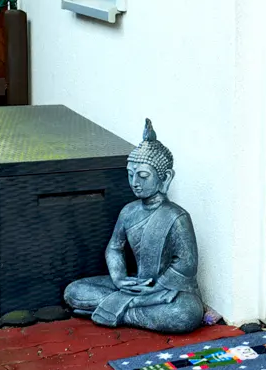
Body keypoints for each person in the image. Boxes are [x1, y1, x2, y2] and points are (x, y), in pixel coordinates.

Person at [63, 119, 204, 331]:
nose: (135, 182)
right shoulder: (129, 211)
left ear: (165, 178)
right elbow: (114, 247)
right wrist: (119, 278)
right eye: (130, 175)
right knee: (73, 291)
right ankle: (126, 308)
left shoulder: (177, 216)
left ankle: (117, 310)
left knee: (186, 314)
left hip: (167, 289)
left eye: (143, 176)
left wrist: (156, 287)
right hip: (136, 284)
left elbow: (186, 264)